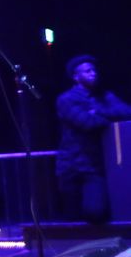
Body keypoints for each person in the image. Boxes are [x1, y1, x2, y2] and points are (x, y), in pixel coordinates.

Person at [56, 55, 131, 225]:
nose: (93, 73)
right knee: (72, 217)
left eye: (94, 70)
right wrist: (104, 116)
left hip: (95, 165)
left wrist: (97, 111)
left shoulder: (105, 96)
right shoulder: (66, 99)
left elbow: (127, 112)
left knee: (95, 212)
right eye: (88, 71)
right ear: (76, 77)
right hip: (71, 165)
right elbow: (87, 122)